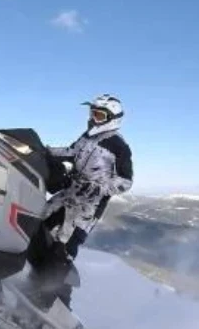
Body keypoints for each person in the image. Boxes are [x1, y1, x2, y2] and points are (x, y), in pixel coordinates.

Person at [24, 93, 134, 308]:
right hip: (68, 194)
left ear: (113, 118)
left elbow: (126, 181)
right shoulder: (87, 137)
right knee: (36, 228)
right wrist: (42, 150)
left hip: (86, 207)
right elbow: (70, 152)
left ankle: (52, 301)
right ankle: (30, 279)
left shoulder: (119, 146)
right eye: (93, 113)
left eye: (99, 115)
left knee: (62, 250)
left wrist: (98, 186)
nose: (93, 118)